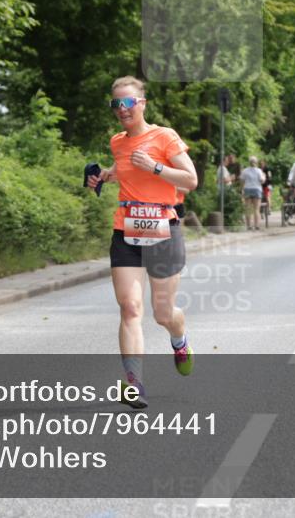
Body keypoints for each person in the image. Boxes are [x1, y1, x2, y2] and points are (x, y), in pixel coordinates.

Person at [87, 76, 198, 409]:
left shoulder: (165, 136)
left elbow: (191, 180)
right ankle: (133, 384)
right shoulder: (117, 142)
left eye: (128, 103)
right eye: (116, 104)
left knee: (163, 313)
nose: (122, 110)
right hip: (126, 232)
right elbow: (124, 168)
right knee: (130, 308)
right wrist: (105, 174)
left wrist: (155, 167)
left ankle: (179, 341)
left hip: (164, 231)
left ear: (142, 104)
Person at [239, 156, 266, 230]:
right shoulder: (259, 171)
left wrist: (241, 190)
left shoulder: (245, 171)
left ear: (249, 162)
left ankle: (248, 226)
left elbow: (242, 181)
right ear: (256, 162)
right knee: (256, 209)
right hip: (256, 189)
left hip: (247, 189)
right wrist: (264, 176)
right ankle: (257, 225)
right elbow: (262, 181)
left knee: (248, 208)